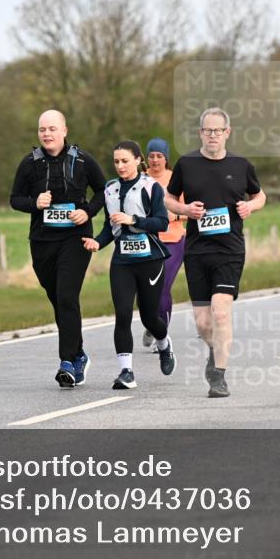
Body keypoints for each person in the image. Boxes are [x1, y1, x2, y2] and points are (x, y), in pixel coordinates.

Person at [164, 107, 266, 398]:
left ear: (227, 132)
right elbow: (169, 198)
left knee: (221, 313)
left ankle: (219, 376)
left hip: (230, 249)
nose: (212, 135)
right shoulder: (187, 164)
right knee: (203, 321)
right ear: (200, 133)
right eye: (207, 130)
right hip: (196, 250)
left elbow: (260, 195)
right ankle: (214, 351)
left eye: (217, 131)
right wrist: (184, 210)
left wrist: (251, 206)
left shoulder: (241, 165)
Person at [10, 109, 106, 388]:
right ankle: (79, 353)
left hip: (75, 240)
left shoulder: (83, 160)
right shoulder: (30, 163)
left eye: (52, 129)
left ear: (64, 130)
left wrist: (87, 212)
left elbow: (103, 191)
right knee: (57, 298)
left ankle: (67, 362)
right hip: (42, 242)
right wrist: (35, 203)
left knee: (66, 295)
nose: (47, 134)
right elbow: (15, 198)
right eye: (42, 130)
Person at [82, 141, 176, 389]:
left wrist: (133, 219)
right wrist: (96, 243)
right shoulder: (110, 189)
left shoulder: (151, 187)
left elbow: (162, 223)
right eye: (116, 162)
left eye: (125, 161)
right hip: (122, 261)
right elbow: (108, 228)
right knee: (122, 314)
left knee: (148, 317)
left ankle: (164, 344)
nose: (120, 166)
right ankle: (126, 372)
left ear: (138, 160)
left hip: (150, 261)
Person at [141, 137, 186, 350]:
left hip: (173, 240)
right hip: (146, 241)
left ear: (166, 158)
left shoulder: (175, 179)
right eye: (151, 156)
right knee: (144, 291)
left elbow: (190, 210)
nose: (155, 160)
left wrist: (174, 216)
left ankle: (162, 336)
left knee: (162, 287)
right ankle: (152, 323)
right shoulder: (140, 178)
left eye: (159, 156)